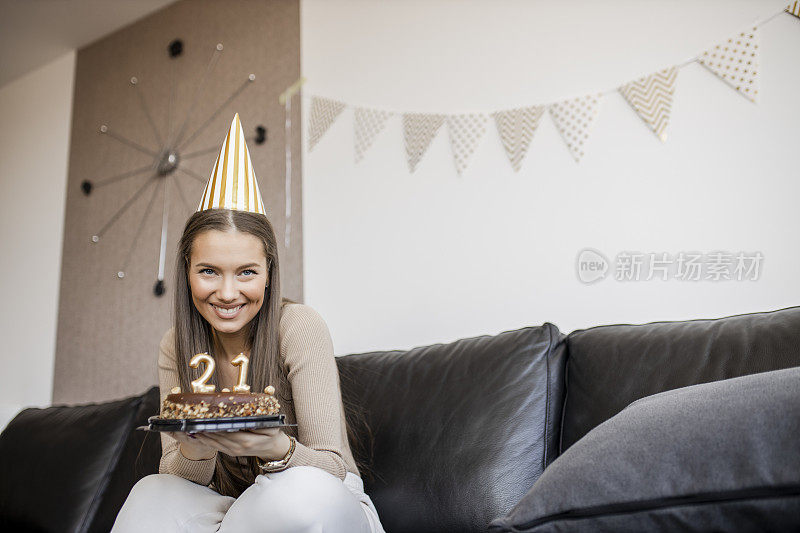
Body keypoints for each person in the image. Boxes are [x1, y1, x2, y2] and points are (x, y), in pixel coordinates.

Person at [112, 114, 385, 533]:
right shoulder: (175, 346)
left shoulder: (297, 326)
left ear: (269, 273)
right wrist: (196, 449)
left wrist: (276, 448)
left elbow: (331, 467)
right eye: (208, 271)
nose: (226, 292)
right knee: (152, 491)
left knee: (291, 492)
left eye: (246, 272)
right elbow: (177, 477)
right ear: (187, 272)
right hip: (233, 510)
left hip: (325, 503)